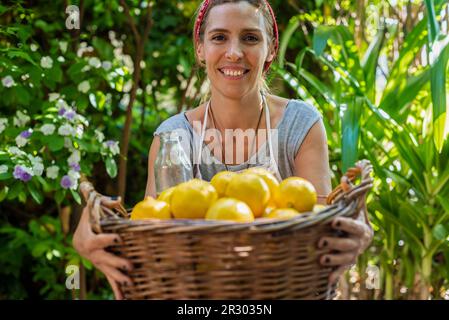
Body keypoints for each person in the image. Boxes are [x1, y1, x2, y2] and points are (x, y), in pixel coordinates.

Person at [73, 0, 374, 300]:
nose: (234, 52)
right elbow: (153, 229)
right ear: (200, 50)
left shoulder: (300, 125)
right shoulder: (174, 137)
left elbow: (320, 222)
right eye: (219, 37)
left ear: (270, 49)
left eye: (250, 38)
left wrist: (357, 228)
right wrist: (93, 232)